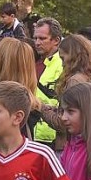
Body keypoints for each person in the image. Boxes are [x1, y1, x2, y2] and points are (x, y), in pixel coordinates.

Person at [32, 17, 65, 148]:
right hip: (31, 131)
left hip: (51, 136)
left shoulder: (63, 64)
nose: (37, 43)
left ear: (56, 40)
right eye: (35, 38)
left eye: (42, 38)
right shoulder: (34, 60)